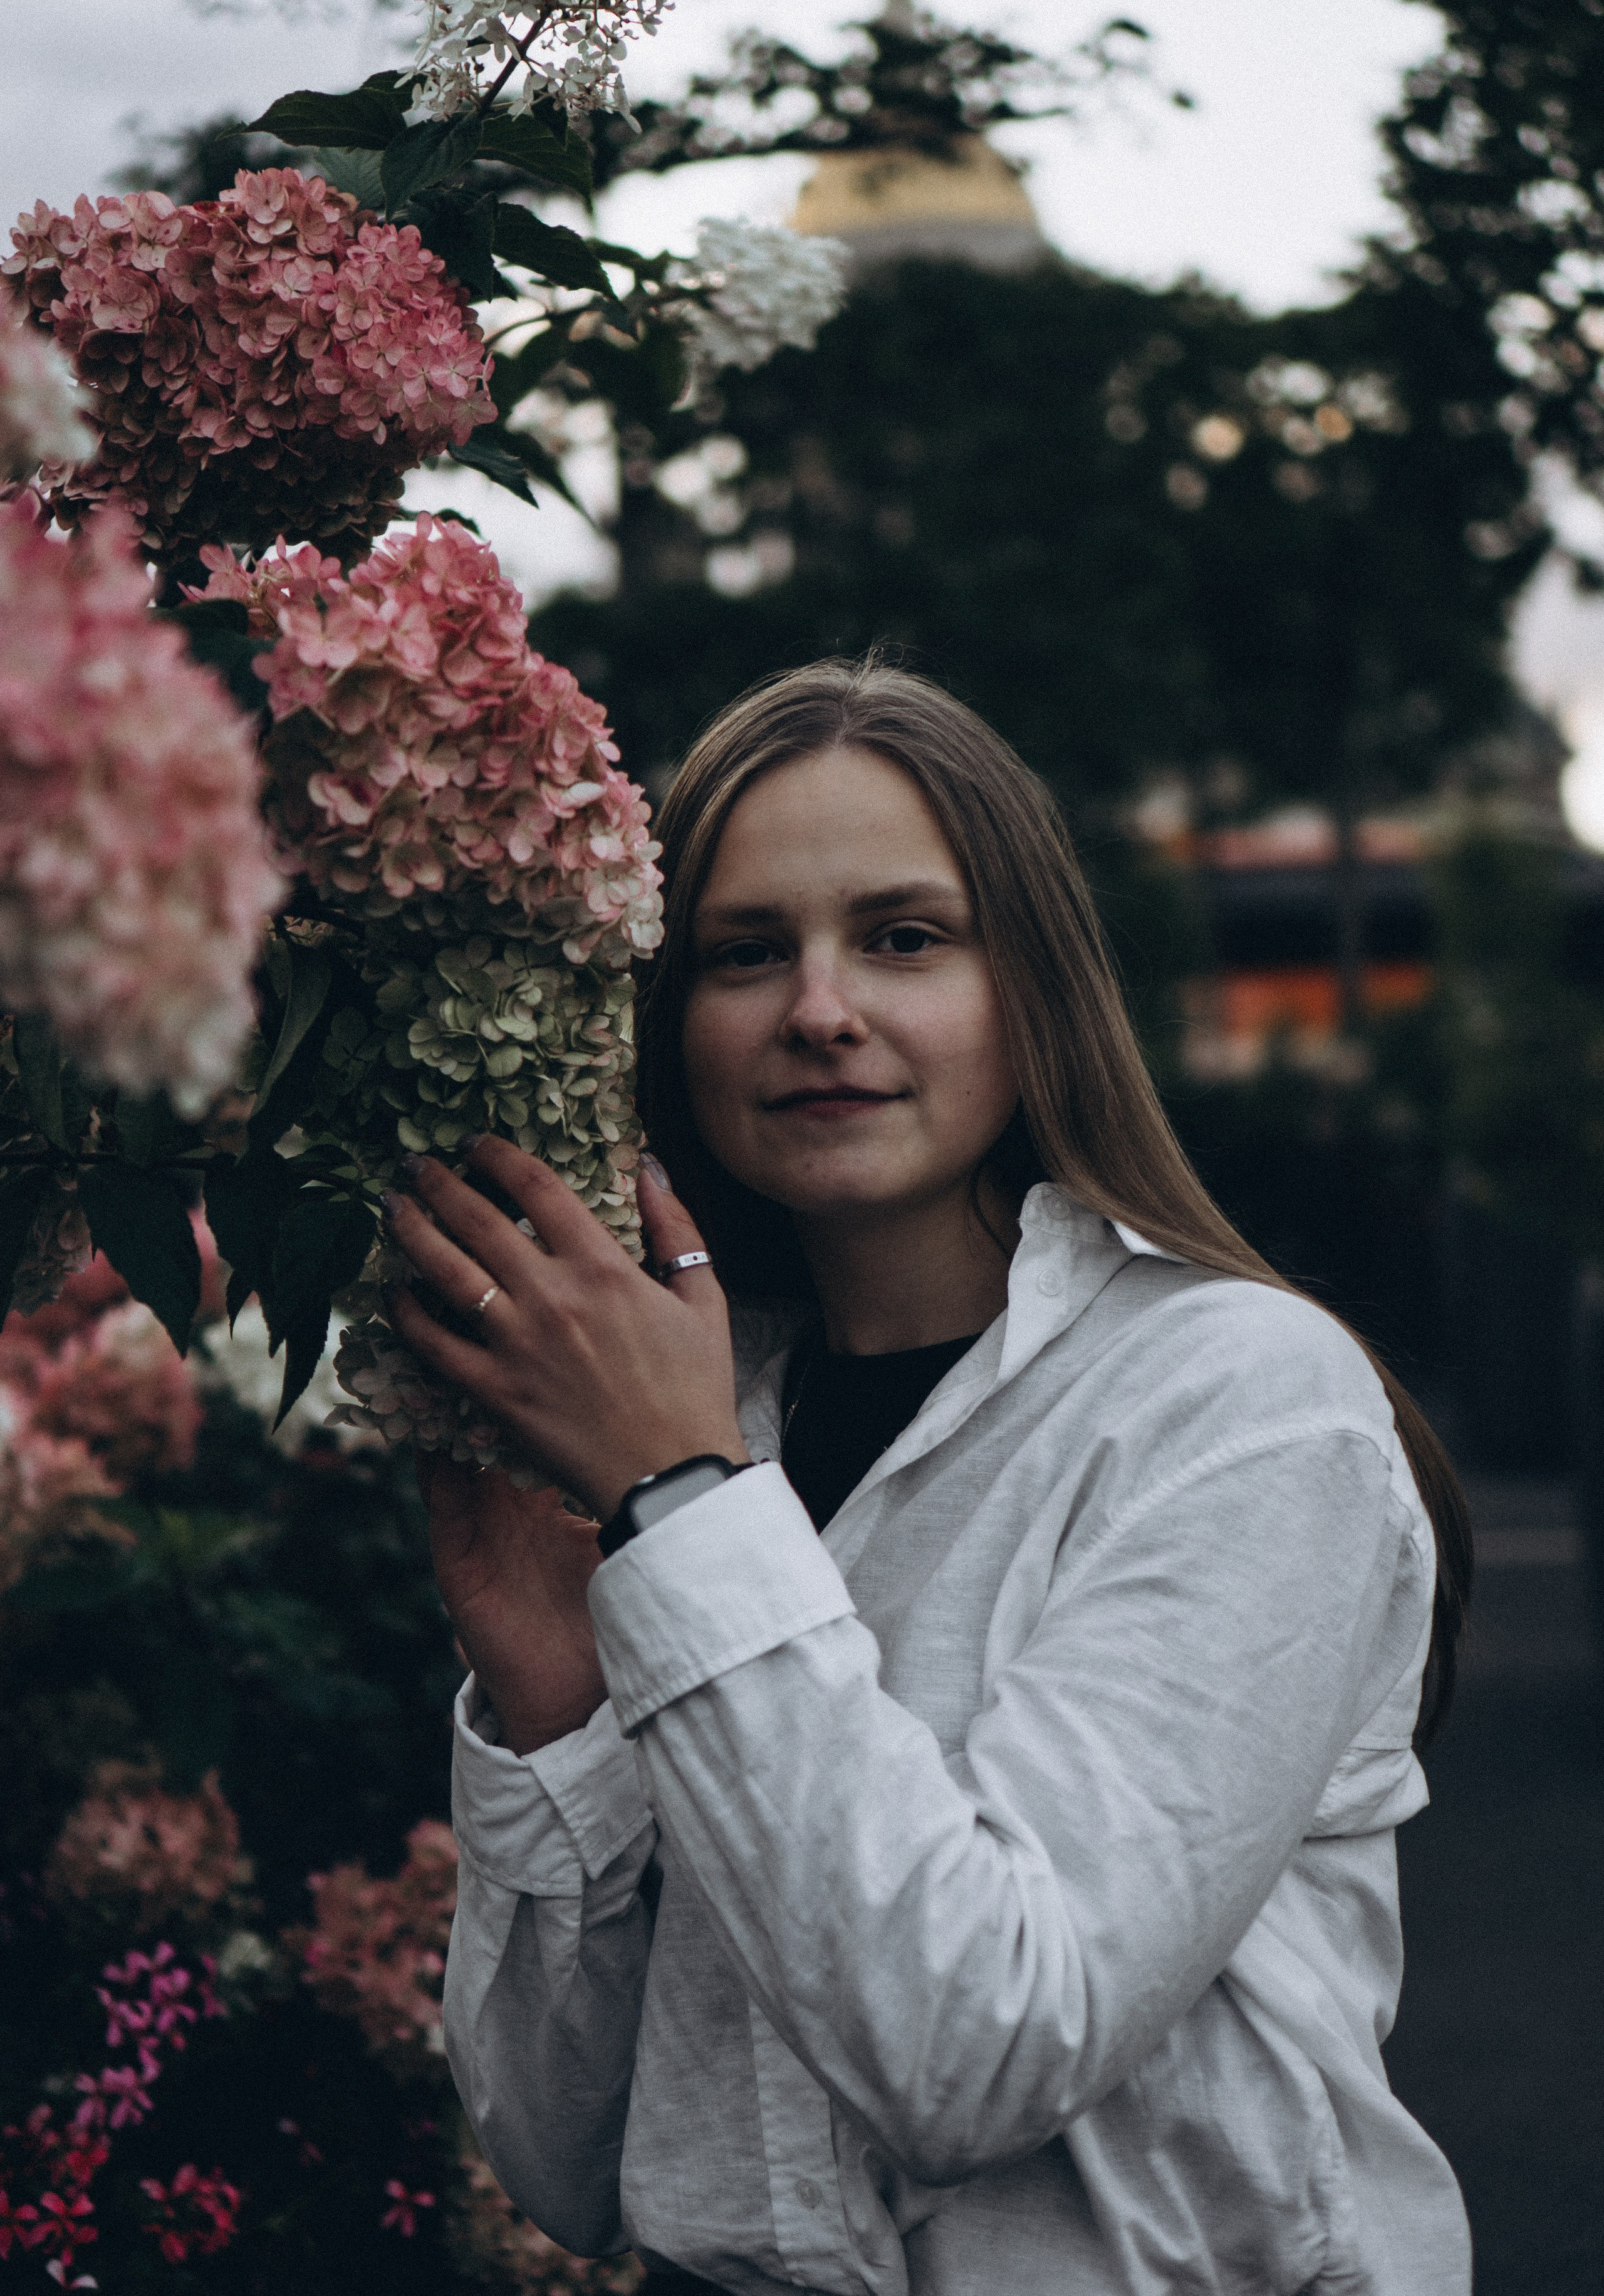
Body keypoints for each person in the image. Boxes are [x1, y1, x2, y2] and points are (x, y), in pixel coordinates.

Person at [384, 659, 1474, 2296]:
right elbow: (564, 2164)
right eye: (747, 952)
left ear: (1031, 989)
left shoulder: (1244, 1401)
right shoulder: (697, 1424)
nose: (820, 1009)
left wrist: (681, 1506)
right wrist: (556, 1716)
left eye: (903, 937)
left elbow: (985, 2046)